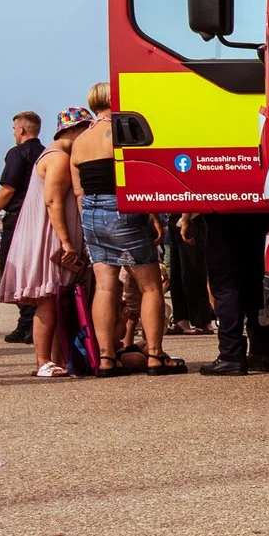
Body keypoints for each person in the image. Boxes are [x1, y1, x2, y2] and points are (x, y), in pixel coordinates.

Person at [71, 83, 182, 374]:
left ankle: (107, 357)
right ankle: (155, 355)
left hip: (92, 214)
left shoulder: (80, 141)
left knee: (105, 287)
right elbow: (138, 177)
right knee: (150, 286)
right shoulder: (121, 133)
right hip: (123, 208)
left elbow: (78, 191)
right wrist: (154, 216)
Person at [0, 108, 88, 377]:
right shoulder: (58, 158)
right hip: (52, 236)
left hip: (48, 234)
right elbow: (53, 202)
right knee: (48, 300)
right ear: (73, 131)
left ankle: (55, 360)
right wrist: (67, 243)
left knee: (55, 301)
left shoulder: (53, 155)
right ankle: (43, 361)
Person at [196, 206, 269, 375]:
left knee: (225, 285)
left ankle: (231, 354)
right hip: (255, 207)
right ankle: (261, 351)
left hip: (221, 211)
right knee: (254, 282)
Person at [0, 112, 47, 344]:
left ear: (22, 130)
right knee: (34, 268)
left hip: (18, 217)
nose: (14, 132)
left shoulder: (17, 153)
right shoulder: (46, 153)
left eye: (15, 128)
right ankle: (34, 322)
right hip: (42, 217)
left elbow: (8, 188)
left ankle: (26, 322)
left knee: (12, 267)